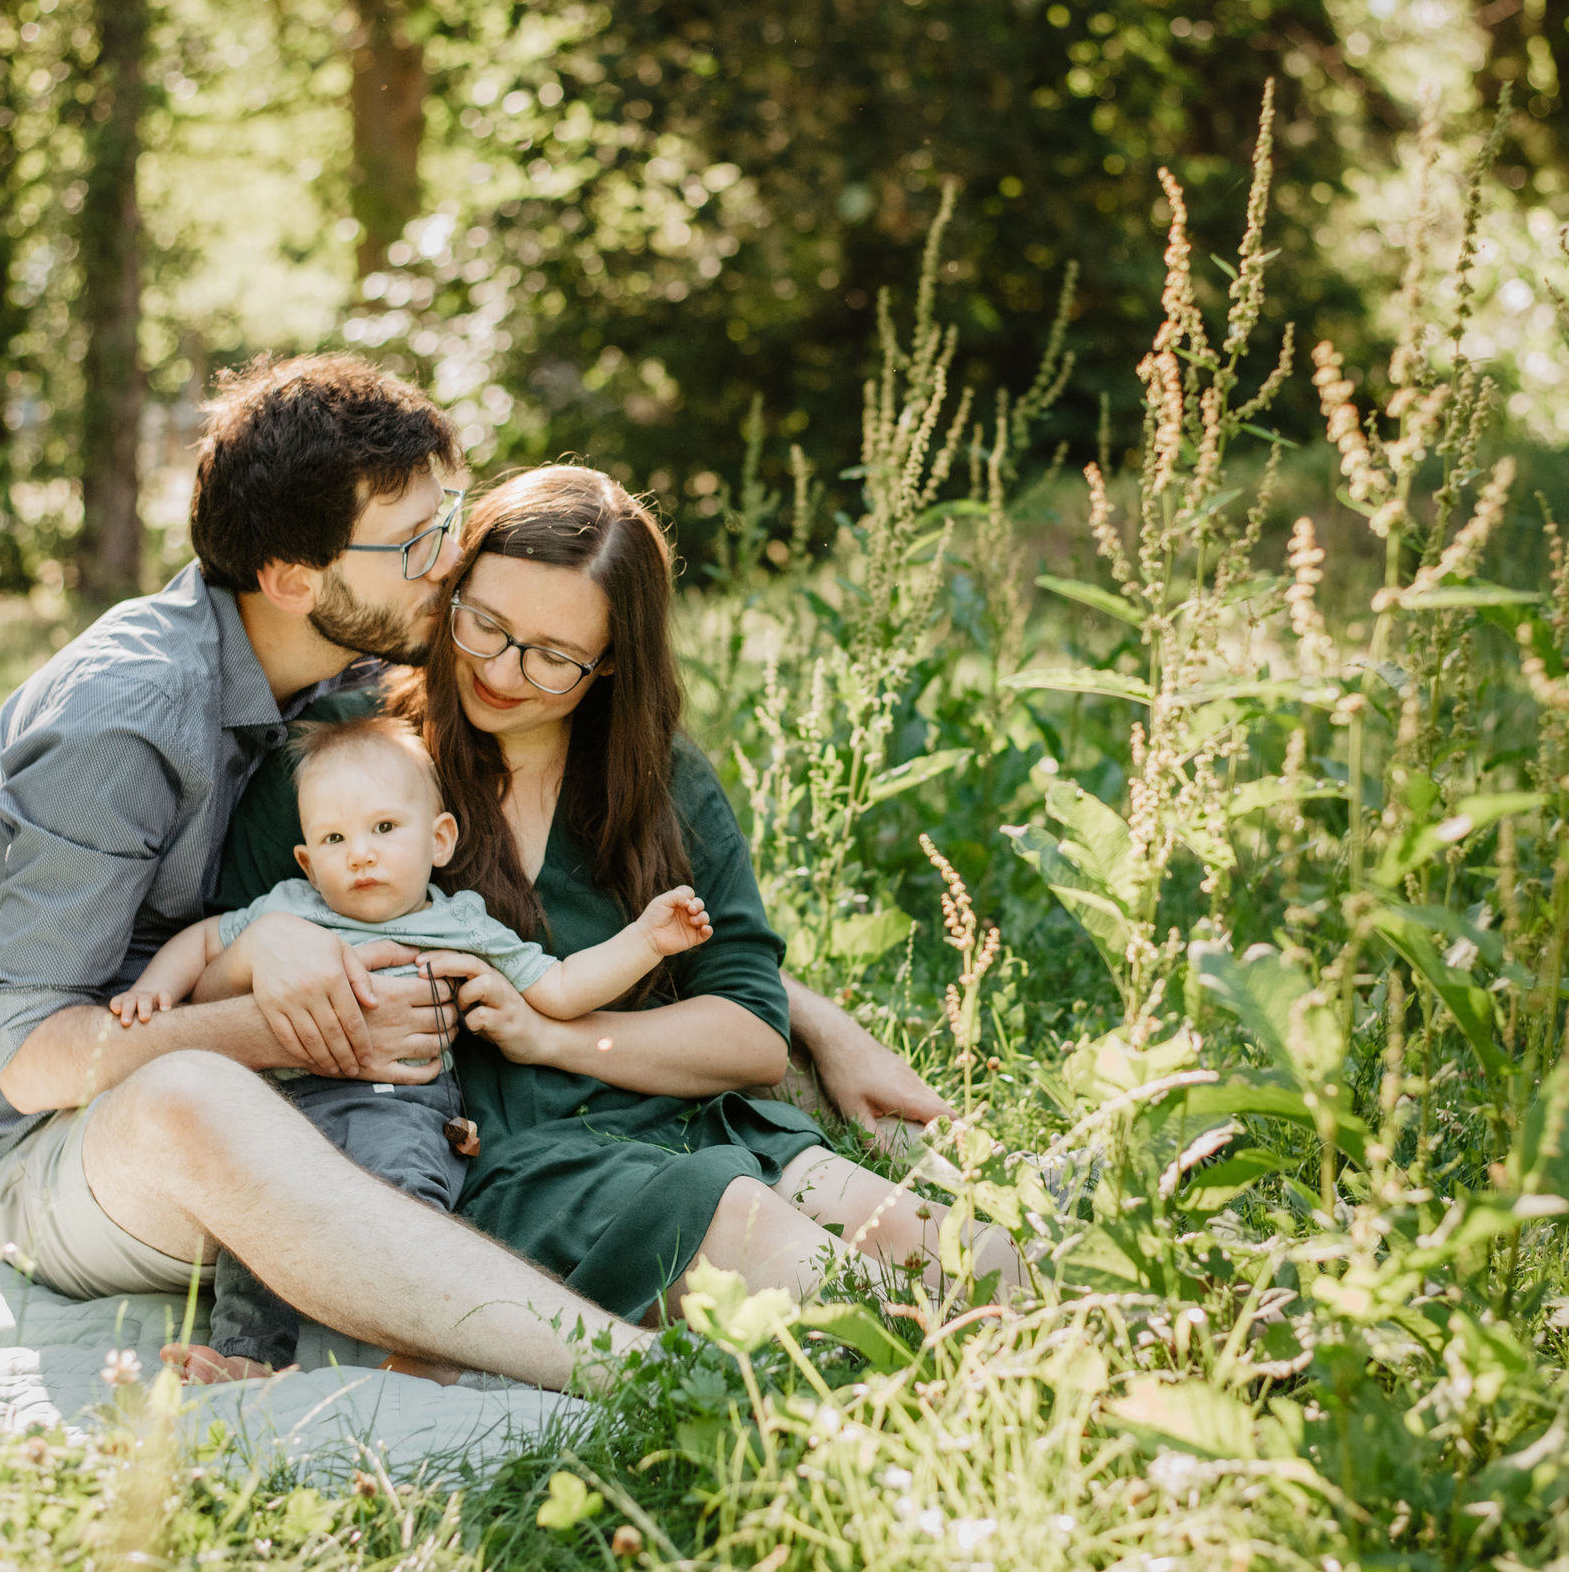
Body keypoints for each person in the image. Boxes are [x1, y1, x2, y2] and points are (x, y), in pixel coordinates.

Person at [0, 354, 947, 1394]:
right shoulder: (121, 723)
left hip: (331, 1109)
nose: (453, 568)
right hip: (85, 1146)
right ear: (296, 577)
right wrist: (270, 999)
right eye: (422, 543)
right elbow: (32, 1061)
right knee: (197, 1094)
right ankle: (631, 1381)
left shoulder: (349, 666)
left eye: (453, 522)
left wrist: (817, 1020)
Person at [185, 466, 1023, 1349]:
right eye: (486, 624)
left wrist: (553, 1037)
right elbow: (238, 978)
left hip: (699, 1121)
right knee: (795, 1260)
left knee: (922, 1234)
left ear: (612, 659)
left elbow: (748, 1027)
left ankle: (1118, 1333)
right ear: (454, 591)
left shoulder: (657, 779)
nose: (502, 672)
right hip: (513, 1162)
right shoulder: (351, 766)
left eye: (552, 656)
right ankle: (968, 1394)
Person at [108, 713, 713, 1371]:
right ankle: (246, 1353)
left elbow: (562, 986)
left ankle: (428, 1341)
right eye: (334, 838)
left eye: (384, 828)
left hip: (400, 1108)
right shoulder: (290, 907)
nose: (360, 852)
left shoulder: (458, 923)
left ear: (440, 838)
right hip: (284, 1106)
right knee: (253, 1235)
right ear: (308, 859)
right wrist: (155, 989)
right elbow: (202, 942)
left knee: (405, 1209)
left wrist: (645, 941)